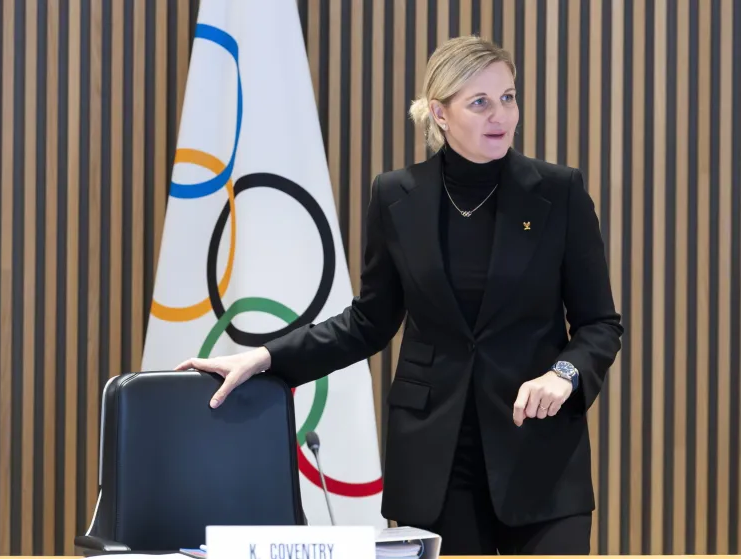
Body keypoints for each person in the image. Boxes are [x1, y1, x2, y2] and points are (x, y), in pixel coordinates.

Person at [176, 35, 622, 556]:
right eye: (479, 102)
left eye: (508, 96)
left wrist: (563, 375)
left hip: (540, 453)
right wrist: (266, 356)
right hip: (435, 458)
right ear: (440, 113)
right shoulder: (395, 197)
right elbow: (369, 322)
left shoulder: (559, 192)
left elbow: (599, 323)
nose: (501, 114)